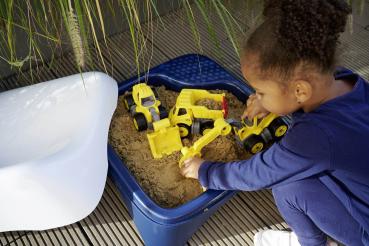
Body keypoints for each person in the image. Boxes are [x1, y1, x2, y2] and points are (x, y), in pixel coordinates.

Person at [180, 0, 369, 245]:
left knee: (287, 188)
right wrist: (270, 103)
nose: (257, 97)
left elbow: (258, 173)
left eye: (261, 92)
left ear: (300, 91)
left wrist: (205, 170)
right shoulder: (345, 83)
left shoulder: (314, 139)